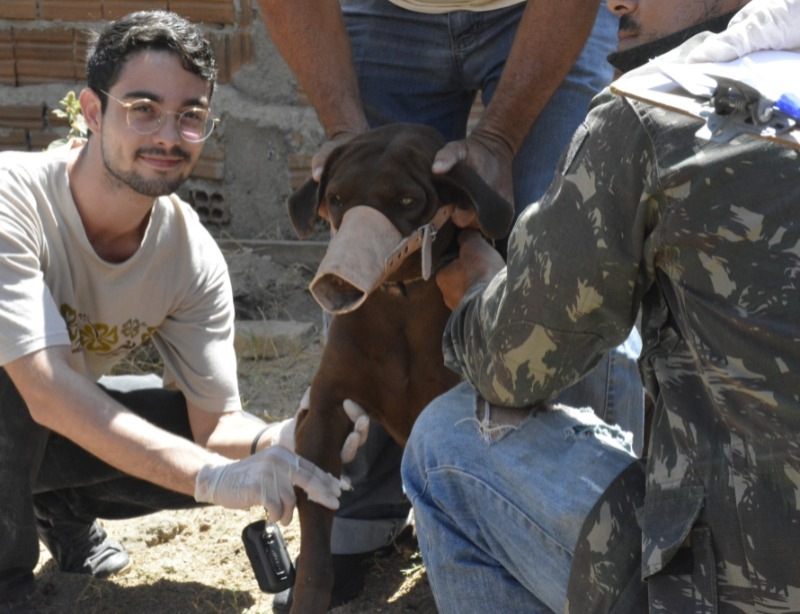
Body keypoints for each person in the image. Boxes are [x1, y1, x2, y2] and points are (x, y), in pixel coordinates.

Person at [401, 0, 800, 610]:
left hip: (740, 590)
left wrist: (479, 293)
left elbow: (513, 362)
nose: (615, 2)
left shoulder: (657, 110)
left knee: (444, 447)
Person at [256, 1, 645, 606]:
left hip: (542, 14)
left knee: (568, 270)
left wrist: (498, 141)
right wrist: (341, 131)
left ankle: (586, 543)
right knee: (374, 210)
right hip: (386, 11)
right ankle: (359, 520)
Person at [0, 11, 369, 610]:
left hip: (36, 439)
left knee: (171, 426)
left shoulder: (189, 255)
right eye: (143, 108)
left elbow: (215, 425)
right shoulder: (12, 200)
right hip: (18, 409)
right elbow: (44, 390)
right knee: (13, 387)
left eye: (190, 116)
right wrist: (209, 477)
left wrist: (287, 438)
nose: (168, 136)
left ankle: (58, 512)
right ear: (92, 112)